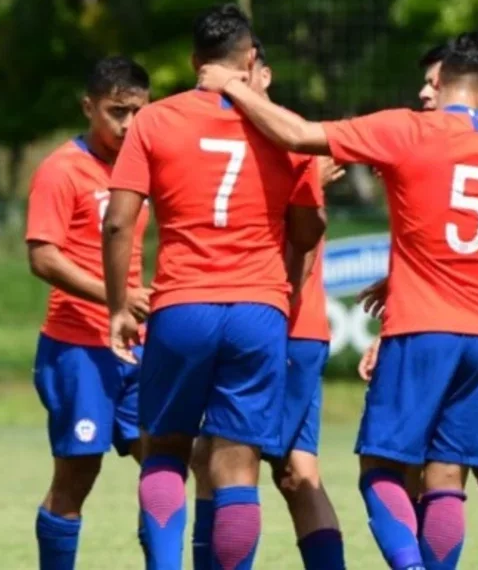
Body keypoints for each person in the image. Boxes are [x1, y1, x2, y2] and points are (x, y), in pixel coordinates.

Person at [200, 31, 478, 570]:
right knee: (450, 473)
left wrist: (234, 89)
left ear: (440, 82)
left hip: (423, 326)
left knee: (381, 471)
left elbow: (298, 133)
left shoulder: (405, 129)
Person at [102, 4, 326, 570]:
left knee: (165, 449)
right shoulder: (285, 128)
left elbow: (119, 221)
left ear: (194, 61)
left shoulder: (155, 120)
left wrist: (116, 309)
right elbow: (306, 230)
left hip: (182, 304)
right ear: (250, 61)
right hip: (259, 308)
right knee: (238, 465)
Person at [355, 41, 478, 570]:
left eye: (433, 82)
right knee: (443, 474)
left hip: (475, 332)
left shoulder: (439, 144)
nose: (424, 92)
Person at [187, 37, 347, 570]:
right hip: (281, 328)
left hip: (286, 327)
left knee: (227, 460)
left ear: (263, 76)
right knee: (296, 472)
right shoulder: (234, 145)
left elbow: (298, 252)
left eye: (242, 75)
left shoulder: (289, 144)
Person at [23, 55, 152, 570]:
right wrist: (117, 298)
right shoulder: (61, 169)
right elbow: (42, 257)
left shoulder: (144, 165)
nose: (128, 125)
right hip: (78, 348)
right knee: (77, 476)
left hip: (137, 347)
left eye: (139, 112)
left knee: (163, 466)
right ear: (88, 107)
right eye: (117, 111)